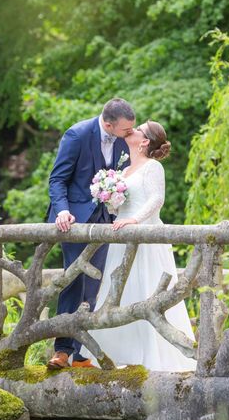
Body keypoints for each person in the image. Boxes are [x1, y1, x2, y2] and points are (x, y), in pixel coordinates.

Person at [82, 120, 197, 371]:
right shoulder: (123, 169)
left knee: (146, 289)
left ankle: (153, 356)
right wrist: (111, 200)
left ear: (144, 141)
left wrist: (134, 219)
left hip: (146, 237)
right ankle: (115, 354)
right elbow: (118, 206)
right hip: (122, 237)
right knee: (118, 291)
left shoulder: (153, 167)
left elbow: (157, 199)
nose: (131, 131)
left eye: (138, 129)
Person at [46, 98, 135, 370]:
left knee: (94, 285)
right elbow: (58, 178)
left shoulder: (123, 142)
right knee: (74, 282)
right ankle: (61, 351)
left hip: (105, 221)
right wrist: (62, 211)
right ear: (108, 124)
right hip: (73, 222)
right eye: (125, 129)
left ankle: (80, 354)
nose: (129, 134)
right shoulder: (78, 135)